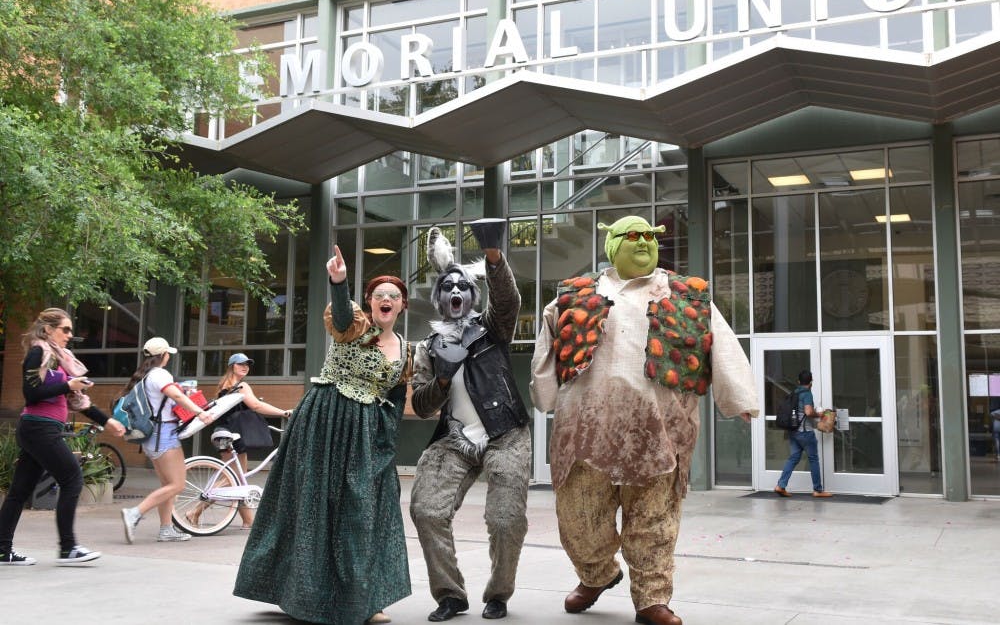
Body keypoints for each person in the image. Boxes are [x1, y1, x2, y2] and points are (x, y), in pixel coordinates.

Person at [530, 215, 759, 625]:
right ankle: (597, 574)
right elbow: (546, 348)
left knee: (655, 518)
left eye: (650, 238)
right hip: (584, 431)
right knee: (580, 518)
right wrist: (544, 396)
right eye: (632, 237)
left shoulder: (684, 293)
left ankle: (652, 598)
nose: (643, 244)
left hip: (660, 430)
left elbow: (719, 341)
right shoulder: (572, 295)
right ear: (612, 245)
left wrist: (740, 397)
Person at [233, 245, 411, 625]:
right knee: (315, 507)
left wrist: (386, 440)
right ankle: (305, 592)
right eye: (379, 295)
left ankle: (367, 600)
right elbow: (342, 311)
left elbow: (395, 399)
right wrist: (339, 281)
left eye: (393, 296)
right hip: (325, 421)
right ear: (370, 302)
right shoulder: (354, 325)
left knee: (365, 513)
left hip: (366, 435)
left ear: (402, 306)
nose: (386, 300)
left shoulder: (407, 351)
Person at [409, 219, 531, 622]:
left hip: (505, 434)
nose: (455, 291)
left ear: (472, 295)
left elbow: (508, 302)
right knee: (426, 510)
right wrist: (443, 376)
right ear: (438, 297)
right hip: (453, 439)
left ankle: (498, 593)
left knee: (505, 518)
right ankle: (450, 595)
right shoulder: (428, 347)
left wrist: (493, 256)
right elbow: (423, 406)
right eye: (448, 286)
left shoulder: (492, 330)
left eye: (462, 286)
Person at [0, 308, 127, 566]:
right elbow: (31, 393)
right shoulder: (39, 352)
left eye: (71, 330)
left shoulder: (59, 359)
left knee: (19, 491)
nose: (70, 335)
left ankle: (2, 550)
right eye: (65, 329)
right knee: (72, 479)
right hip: (39, 428)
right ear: (48, 329)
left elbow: (77, 401)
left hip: (42, 429)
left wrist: (108, 421)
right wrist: (68, 385)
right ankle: (68, 548)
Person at [119, 337, 215, 543]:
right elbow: (177, 397)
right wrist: (200, 412)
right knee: (178, 485)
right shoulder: (160, 374)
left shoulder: (146, 376)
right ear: (163, 355)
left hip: (152, 437)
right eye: (168, 353)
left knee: (167, 485)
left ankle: (166, 529)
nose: (169, 356)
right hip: (164, 435)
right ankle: (134, 513)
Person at [184, 353, 292, 530]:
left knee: (238, 479)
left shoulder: (223, 387)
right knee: (232, 478)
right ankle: (194, 511)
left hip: (222, 433)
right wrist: (283, 413)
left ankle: (248, 521)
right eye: (241, 364)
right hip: (233, 435)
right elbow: (256, 405)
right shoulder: (242, 385)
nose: (245, 367)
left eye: (248, 364)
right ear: (232, 366)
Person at [774, 370, 832, 498]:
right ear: (811, 382)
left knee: (794, 457)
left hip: (793, 431)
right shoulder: (807, 394)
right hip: (805, 432)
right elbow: (808, 412)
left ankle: (780, 485)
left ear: (798, 382)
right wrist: (820, 414)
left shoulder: (794, 392)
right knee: (813, 459)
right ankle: (818, 490)